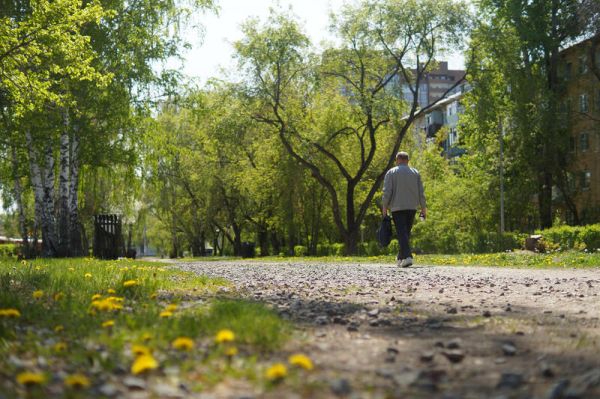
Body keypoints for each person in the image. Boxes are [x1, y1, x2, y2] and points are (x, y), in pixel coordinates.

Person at [381, 151, 427, 267]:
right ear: (408, 160)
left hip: (397, 207)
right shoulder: (415, 173)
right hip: (412, 207)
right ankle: (401, 257)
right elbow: (421, 192)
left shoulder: (391, 172)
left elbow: (387, 192)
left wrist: (384, 207)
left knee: (402, 232)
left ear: (397, 160)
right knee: (405, 233)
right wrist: (423, 208)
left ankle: (407, 257)